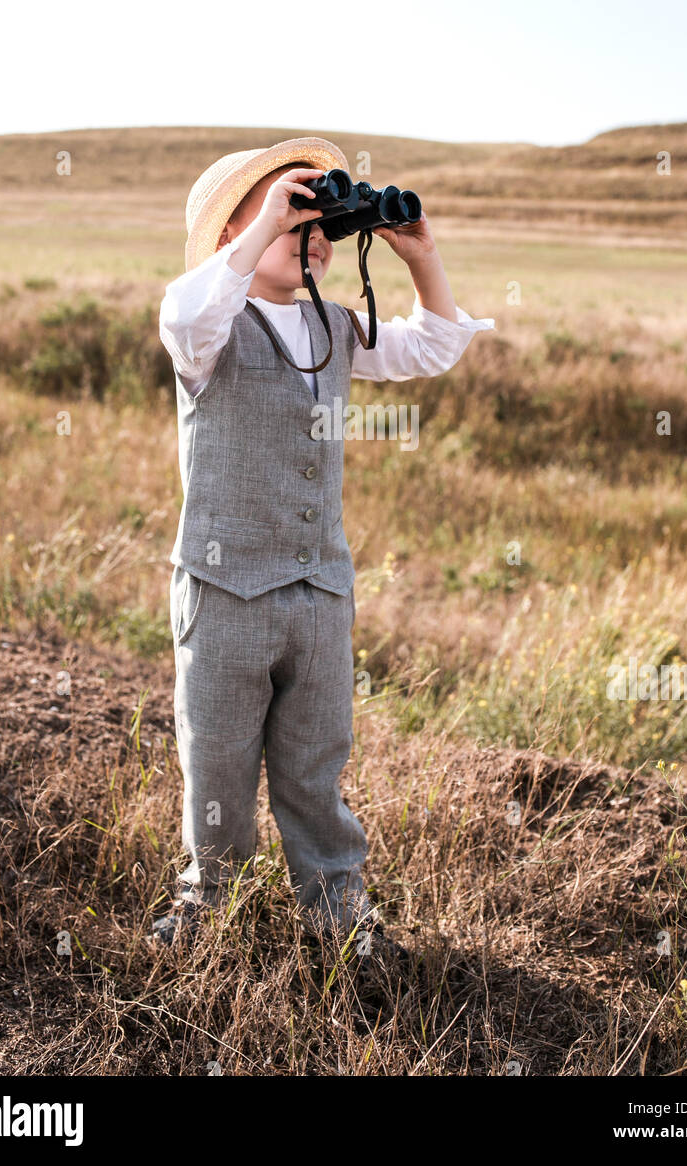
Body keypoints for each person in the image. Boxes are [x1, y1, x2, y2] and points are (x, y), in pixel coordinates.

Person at [155, 136, 494, 947]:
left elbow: (436, 345)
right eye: (288, 214)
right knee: (220, 766)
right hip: (226, 591)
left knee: (316, 765)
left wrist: (422, 255)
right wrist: (262, 222)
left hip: (319, 592)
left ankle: (339, 913)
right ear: (235, 231)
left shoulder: (336, 326)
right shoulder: (211, 327)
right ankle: (210, 906)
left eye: (318, 218)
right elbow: (184, 311)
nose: (311, 231)